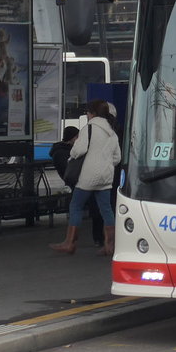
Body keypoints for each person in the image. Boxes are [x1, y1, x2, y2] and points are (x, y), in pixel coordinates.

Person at [50, 100, 121, 256]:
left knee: (75, 206)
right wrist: (105, 164)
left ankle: (70, 243)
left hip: (88, 176)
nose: (87, 115)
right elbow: (117, 158)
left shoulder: (89, 128)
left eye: (88, 112)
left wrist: (73, 155)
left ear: (93, 113)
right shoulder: (112, 131)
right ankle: (110, 245)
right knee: (106, 209)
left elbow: (79, 150)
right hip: (106, 176)